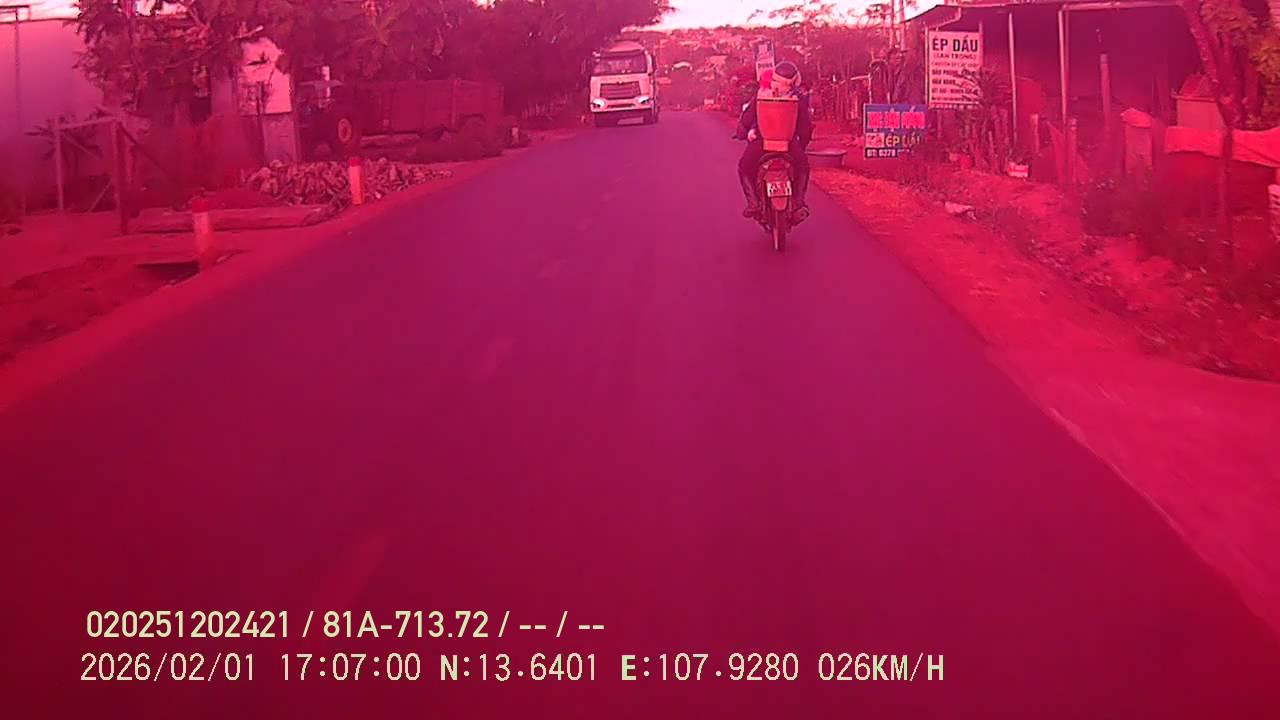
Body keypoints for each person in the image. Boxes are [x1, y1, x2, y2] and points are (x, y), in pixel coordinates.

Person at [735, 61, 813, 221]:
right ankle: (798, 204)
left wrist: (742, 133)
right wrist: (801, 145)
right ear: (794, 82)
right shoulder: (797, 100)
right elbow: (805, 129)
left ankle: (753, 203)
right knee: (803, 168)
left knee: (744, 167)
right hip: (789, 145)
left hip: (761, 144)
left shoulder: (761, 96)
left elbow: (746, 120)